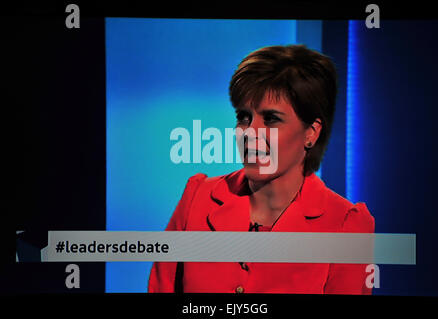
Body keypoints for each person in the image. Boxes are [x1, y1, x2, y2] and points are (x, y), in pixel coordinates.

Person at [148, 44, 375, 294]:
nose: (250, 133)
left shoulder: (345, 224)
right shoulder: (197, 198)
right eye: (244, 117)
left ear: (311, 132)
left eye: (271, 119)